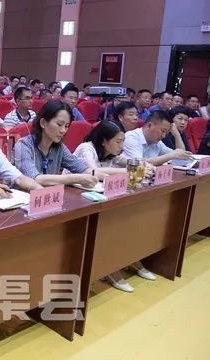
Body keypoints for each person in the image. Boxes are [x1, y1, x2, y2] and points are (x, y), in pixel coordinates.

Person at [73, 121, 155, 292]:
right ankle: (110, 268)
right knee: (113, 223)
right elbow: (94, 172)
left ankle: (128, 259)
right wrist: (129, 171)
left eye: (123, 141)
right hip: (78, 199)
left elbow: (129, 162)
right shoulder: (86, 148)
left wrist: (144, 166)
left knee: (130, 217)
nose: (121, 146)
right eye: (118, 141)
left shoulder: (112, 153)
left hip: (100, 198)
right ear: (104, 141)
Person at [12, 100, 102, 187]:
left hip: (49, 195)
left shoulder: (59, 147)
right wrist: (76, 178)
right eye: (59, 124)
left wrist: (102, 176)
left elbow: (82, 169)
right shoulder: (23, 145)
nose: (63, 130)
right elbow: (34, 179)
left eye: (66, 126)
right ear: (43, 123)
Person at [123, 110, 192, 165]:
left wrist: (177, 134)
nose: (164, 136)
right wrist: (171, 155)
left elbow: (179, 156)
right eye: (163, 131)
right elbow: (137, 163)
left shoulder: (157, 142)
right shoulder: (131, 137)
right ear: (149, 125)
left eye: (166, 132)